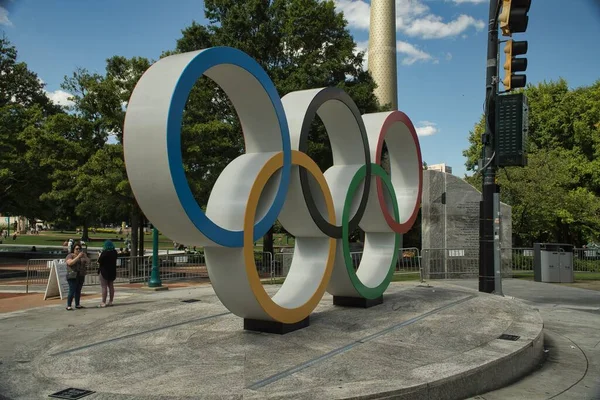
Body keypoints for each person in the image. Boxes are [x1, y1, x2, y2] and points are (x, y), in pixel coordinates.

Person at [65, 243, 89, 310]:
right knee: (72, 290)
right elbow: (70, 263)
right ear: (73, 249)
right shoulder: (70, 255)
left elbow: (88, 262)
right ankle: (69, 305)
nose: (78, 250)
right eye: (76, 249)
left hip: (81, 275)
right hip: (72, 275)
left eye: (79, 249)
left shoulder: (82, 256)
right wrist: (78, 257)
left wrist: (85, 257)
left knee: (78, 290)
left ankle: (77, 304)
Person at [97, 240, 118, 307]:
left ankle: (103, 302)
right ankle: (110, 301)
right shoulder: (114, 252)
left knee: (104, 286)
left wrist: (99, 255)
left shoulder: (104, 253)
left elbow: (99, 261)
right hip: (112, 271)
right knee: (111, 286)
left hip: (104, 271)